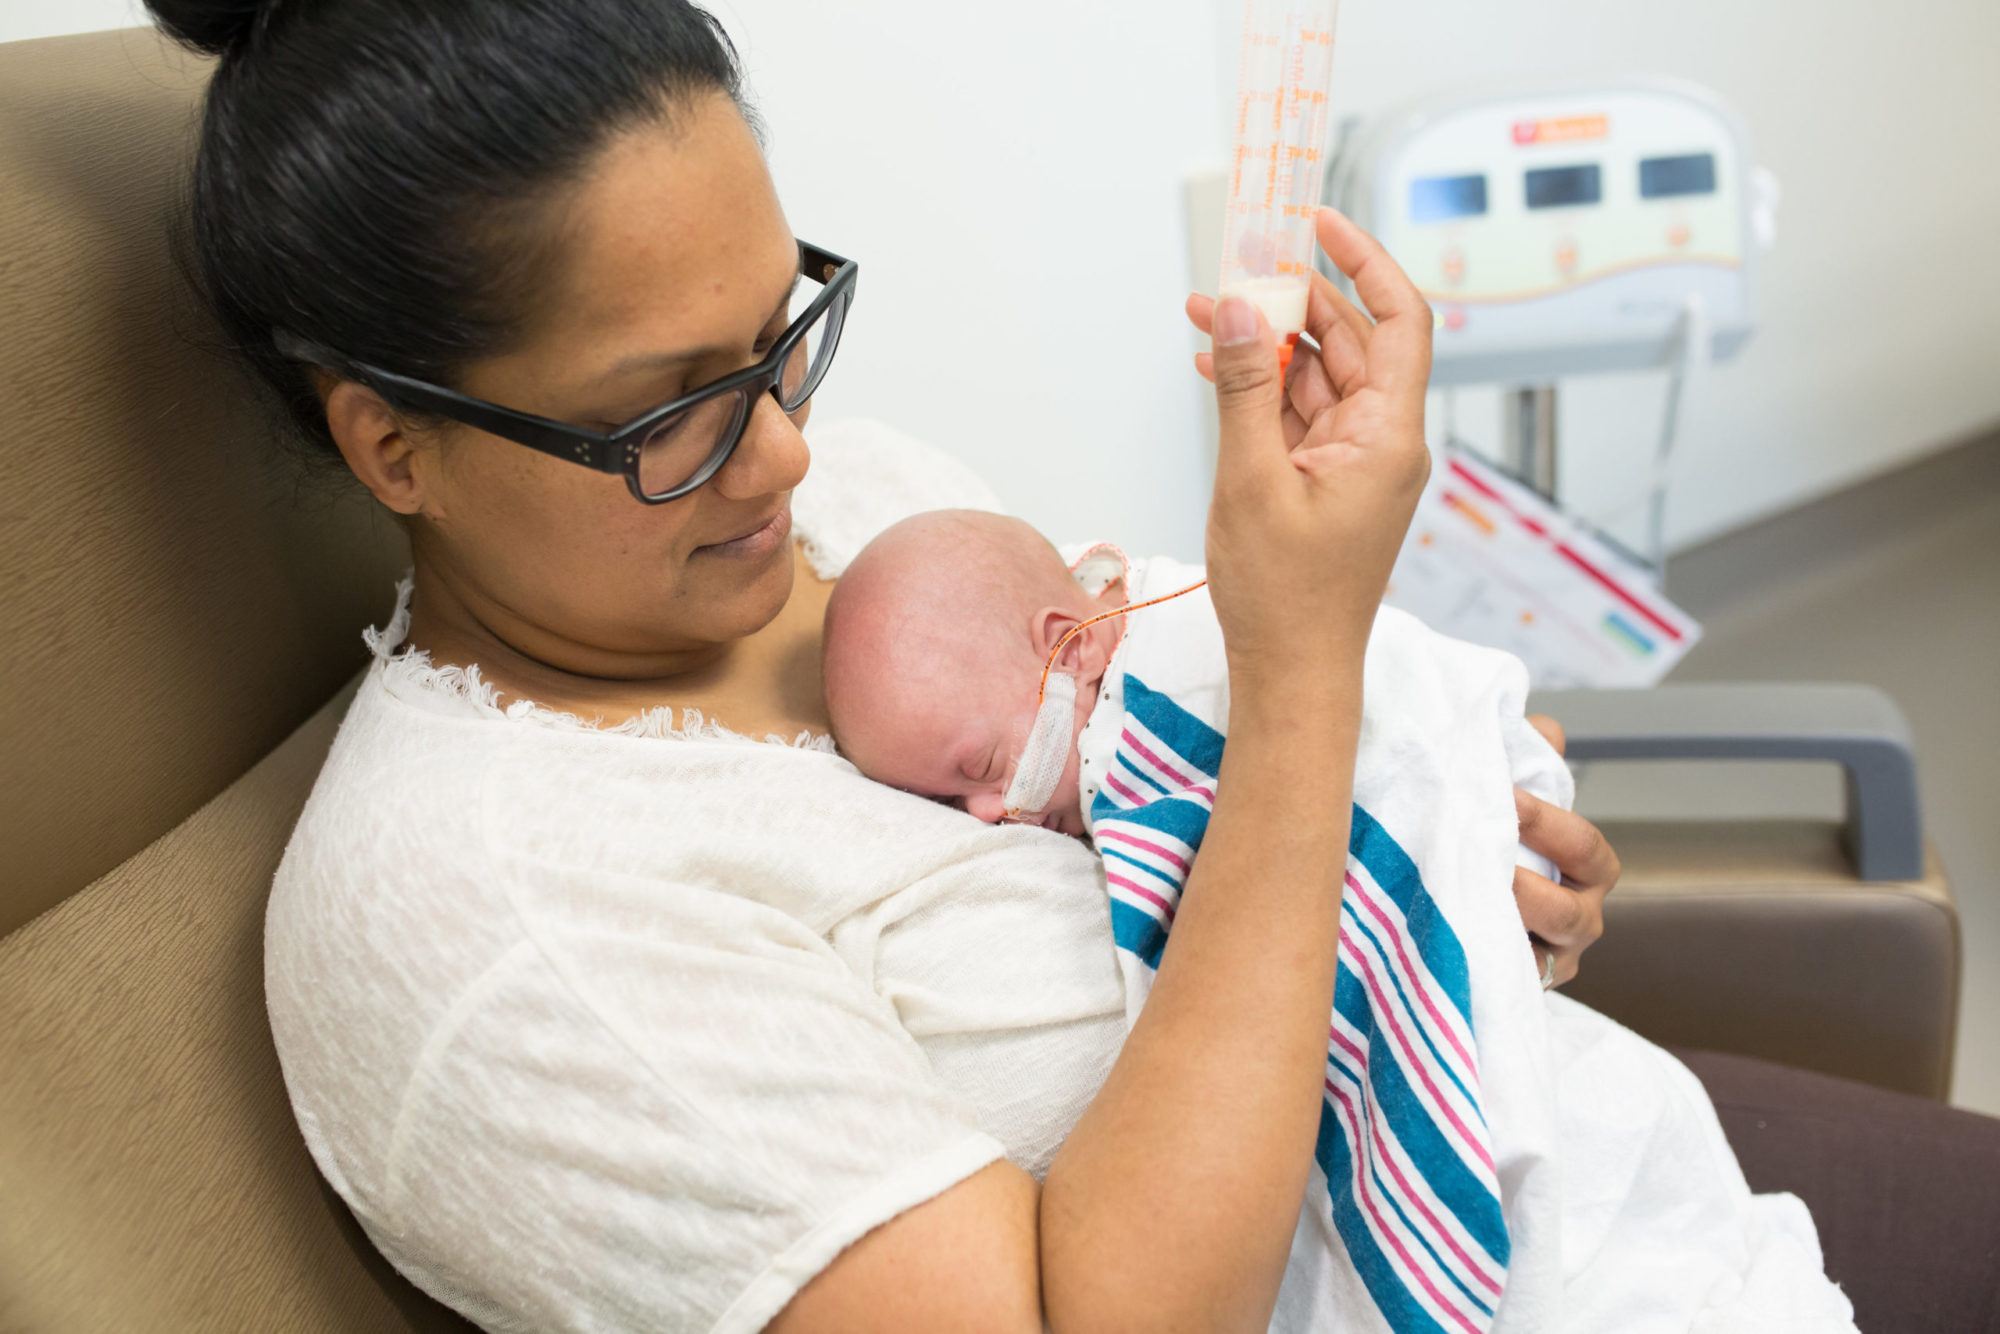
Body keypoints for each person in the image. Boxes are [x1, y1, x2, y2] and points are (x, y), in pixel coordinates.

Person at [141, 0, 2000, 1330]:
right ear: (394, 446)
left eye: (782, 330)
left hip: (1519, 1128)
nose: (787, 451)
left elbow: (1170, 801)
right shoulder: (484, 924)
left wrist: (1438, 872)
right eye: (676, 414)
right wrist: (1304, 685)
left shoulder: (844, 504)